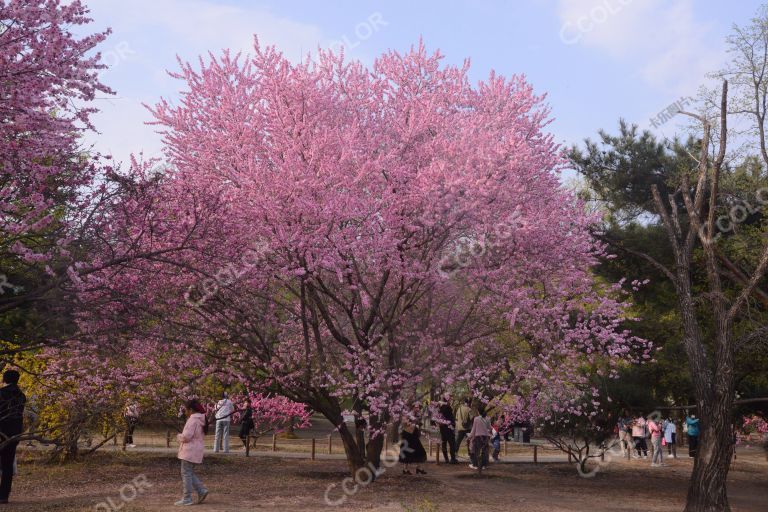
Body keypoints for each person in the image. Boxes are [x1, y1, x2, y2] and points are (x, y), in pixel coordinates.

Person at [176, 399, 209, 506]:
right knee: (188, 472)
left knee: (186, 473)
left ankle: (187, 498)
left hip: (189, 450)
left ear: (191, 410)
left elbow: (186, 437)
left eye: (186, 410)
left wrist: (179, 436)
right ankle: (201, 491)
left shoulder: (192, 420)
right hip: (196, 450)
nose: (185, 412)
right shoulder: (201, 419)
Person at [0, 370, 26, 504]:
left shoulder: (1, 393)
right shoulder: (22, 395)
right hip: (14, 434)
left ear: (4, 379)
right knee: (7, 465)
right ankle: (4, 496)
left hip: (1, 432)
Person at [399, 406, 427, 475]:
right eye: (416, 407)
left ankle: (419, 468)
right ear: (412, 407)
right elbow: (404, 424)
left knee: (419, 451)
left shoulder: (418, 415)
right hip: (407, 436)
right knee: (406, 452)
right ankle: (405, 469)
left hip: (414, 436)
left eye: (418, 407)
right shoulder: (407, 414)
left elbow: (418, 424)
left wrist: (418, 423)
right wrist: (411, 423)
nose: (417, 409)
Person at [437, 394, 458, 464]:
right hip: (449, 428)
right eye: (450, 399)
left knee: (444, 442)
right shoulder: (447, 407)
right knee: (452, 443)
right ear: (447, 399)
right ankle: (452, 459)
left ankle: (446, 459)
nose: (451, 400)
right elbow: (450, 418)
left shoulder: (440, 408)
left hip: (442, 428)